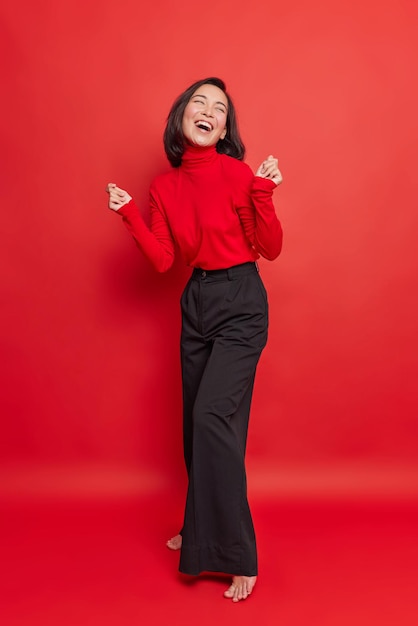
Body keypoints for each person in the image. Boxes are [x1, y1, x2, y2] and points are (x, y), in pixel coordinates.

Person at [106, 77, 283, 603]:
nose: (209, 112)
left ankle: (235, 550)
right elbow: (164, 260)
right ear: (181, 116)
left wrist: (264, 193)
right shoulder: (164, 187)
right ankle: (202, 531)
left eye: (219, 109)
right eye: (199, 103)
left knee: (213, 419)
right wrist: (129, 214)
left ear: (224, 128)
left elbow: (270, 249)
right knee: (193, 427)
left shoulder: (238, 175)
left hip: (241, 301)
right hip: (196, 301)